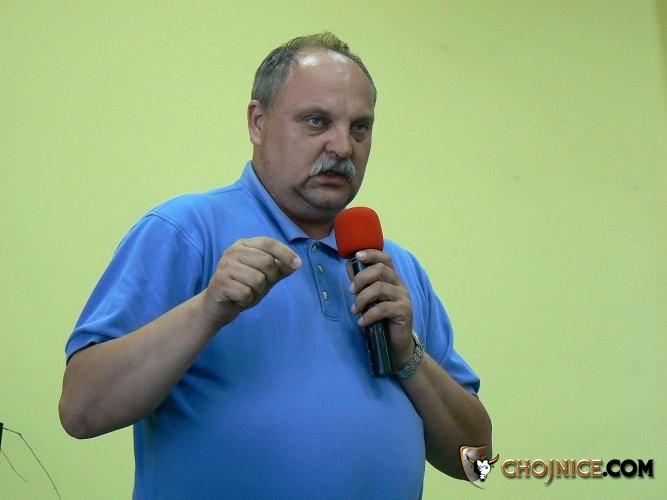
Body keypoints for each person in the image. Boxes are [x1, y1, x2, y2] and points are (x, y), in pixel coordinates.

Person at [59, 32, 492, 499]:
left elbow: (477, 464)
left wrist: (409, 357)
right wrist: (207, 309)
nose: (343, 146)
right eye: (316, 121)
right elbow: (81, 411)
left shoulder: (394, 269)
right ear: (258, 122)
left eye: (360, 127)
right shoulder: (185, 231)